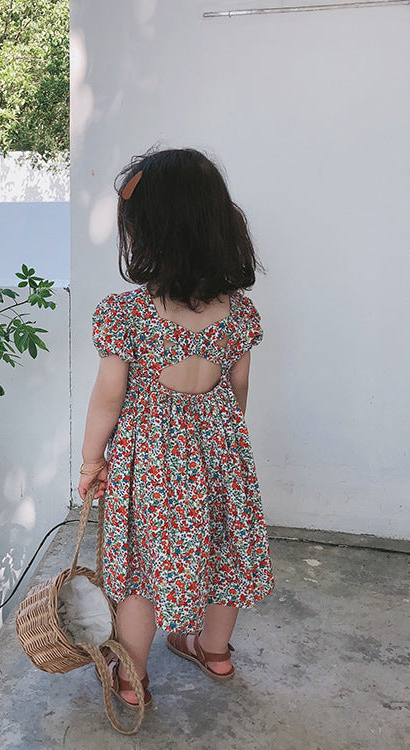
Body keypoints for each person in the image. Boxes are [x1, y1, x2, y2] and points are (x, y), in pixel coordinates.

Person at [78, 148, 274, 708]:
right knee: (222, 552)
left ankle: (131, 678)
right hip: (219, 453)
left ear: (151, 237)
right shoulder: (240, 313)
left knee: (142, 569)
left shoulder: (126, 313)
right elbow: (237, 391)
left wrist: (93, 464)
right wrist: (223, 442)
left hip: (151, 463)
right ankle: (215, 651)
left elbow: (107, 398)